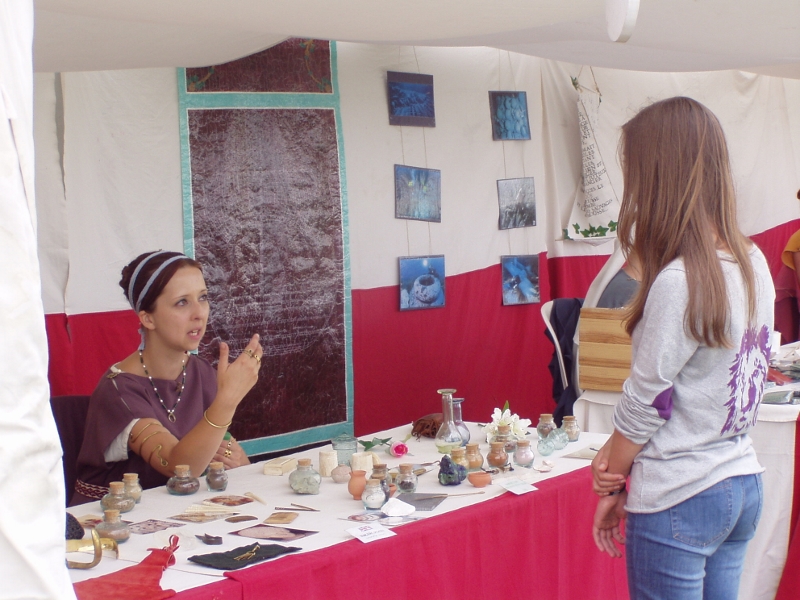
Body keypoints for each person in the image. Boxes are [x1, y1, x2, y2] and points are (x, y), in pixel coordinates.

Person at [590, 97, 774, 599]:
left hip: (680, 492)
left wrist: (612, 479)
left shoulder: (680, 280)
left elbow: (647, 400)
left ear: (656, 179)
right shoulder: (753, 260)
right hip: (739, 479)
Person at [71, 250, 263, 505]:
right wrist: (228, 400)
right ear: (148, 318)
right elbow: (178, 468)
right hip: (112, 519)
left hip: (180, 511)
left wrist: (238, 461)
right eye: (182, 302)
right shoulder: (119, 390)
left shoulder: (202, 372)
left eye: (203, 297)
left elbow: (224, 451)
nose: (199, 313)